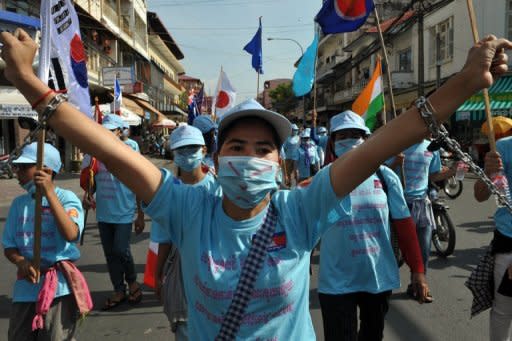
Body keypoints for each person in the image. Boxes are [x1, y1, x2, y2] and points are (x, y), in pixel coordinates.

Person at [1, 28, 510, 339]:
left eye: (262, 149)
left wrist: (462, 85)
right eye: (236, 147)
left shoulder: (300, 209)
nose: (248, 158)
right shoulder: (185, 207)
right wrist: (30, 85)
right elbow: (104, 145)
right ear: (216, 158)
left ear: (280, 160)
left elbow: (387, 140)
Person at [317, 111, 427, 341]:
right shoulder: (321, 180)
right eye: (342, 136)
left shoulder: (386, 177)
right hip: (336, 281)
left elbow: (404, 225)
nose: (349, 140)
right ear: (332, 143)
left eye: (355, 135)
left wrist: (418, 271)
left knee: (373, 336)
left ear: (366, 140)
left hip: (377, 278)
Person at [2, 142, 91, 340]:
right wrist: (21, 262)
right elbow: (9, 246)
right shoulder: (19, 204)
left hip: (58, 288)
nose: (18, 173)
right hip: (25, 289)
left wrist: (49, 194)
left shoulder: (66, 198)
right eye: (18, 167)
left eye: (25, 168)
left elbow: (71, 234)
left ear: (46, 171)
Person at [152, 125, 220, 340]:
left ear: (204, 150)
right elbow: (163, 238)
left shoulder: (218, 187)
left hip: (216, 266)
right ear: (173, 154)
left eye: (192, 148)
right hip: (181, 268)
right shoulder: (168, 191)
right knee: (186, 326)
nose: (187, 154)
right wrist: (158, 274)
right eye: (181, 150)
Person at [83, 114, 145, 310]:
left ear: (120, 131)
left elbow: (139, 181)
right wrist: (88, 194)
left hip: (125, 210)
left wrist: (140, 214)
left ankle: (133, 282)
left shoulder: (131, 148)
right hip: (103, 211)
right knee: (110, 254)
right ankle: (119, 289)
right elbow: (93, 178)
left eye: (112, 130)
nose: (108, 134)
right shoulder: (95, 151)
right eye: (105, 130)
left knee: (121, 249)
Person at [387, 135, 455, 302]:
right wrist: (394, 163)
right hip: (397, 205)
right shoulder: (395, 144)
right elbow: (378, 171)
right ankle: (384, 287)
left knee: (423, 249)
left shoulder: (431, 148)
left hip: (421, 206)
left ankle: (417, 286)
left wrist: (453, 170)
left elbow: (433, 175)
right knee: (392, 253)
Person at [474, 138, 512, 341]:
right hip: (508, 244)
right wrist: (488, 171)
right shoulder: (503, 148)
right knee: (503, 311)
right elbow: (479, 195)